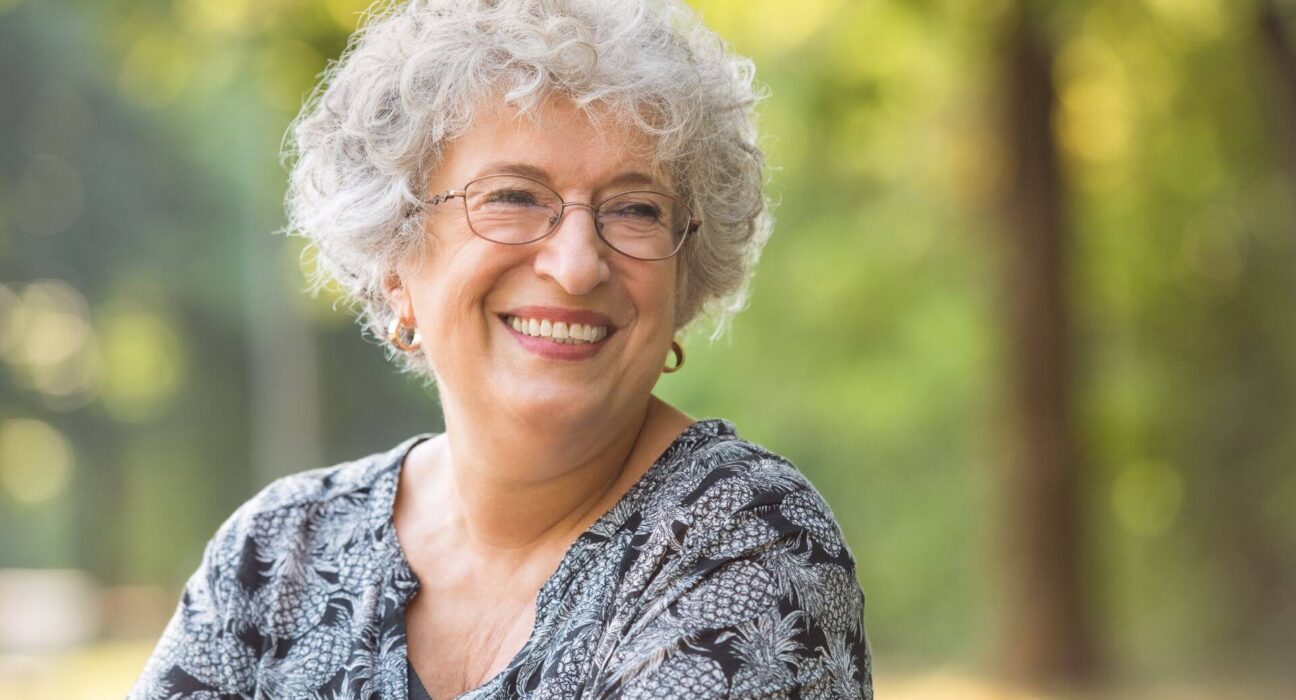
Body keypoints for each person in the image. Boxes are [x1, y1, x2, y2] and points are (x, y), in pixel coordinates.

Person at [130, 0, 872, 698]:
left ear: (682, 282)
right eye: (514, 197)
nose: (578, 264)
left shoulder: (746, 540)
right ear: (397, 263)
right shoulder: (276, 554)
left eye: (637, 208)